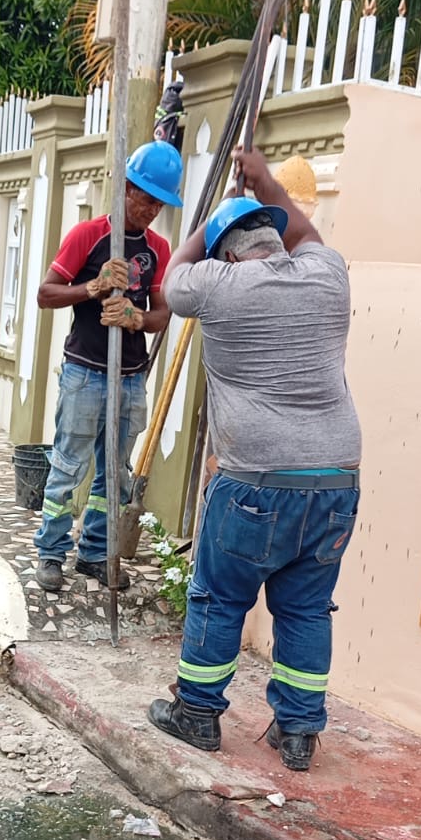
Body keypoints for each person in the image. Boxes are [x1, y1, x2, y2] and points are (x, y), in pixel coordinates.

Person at [147, 147, 360, 772]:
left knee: (219, 597)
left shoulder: (218, 285)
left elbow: (172, 279)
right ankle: (298, 734)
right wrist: (267, 183)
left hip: (253, 481)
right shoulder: (328, 273)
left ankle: (199, 714)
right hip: (335, 480)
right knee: (305, 607)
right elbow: (308, 233)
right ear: (275, 241)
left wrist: (203, 231)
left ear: (227, 254)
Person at [32, 140, 184, 594]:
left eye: (159, 202)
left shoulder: (158, 248)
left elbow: (162, 315)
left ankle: (95, 554)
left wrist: (136, 318)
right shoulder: (89, 235)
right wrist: (93, 288)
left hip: (130, 378)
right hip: (84, 373)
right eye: (145, 197)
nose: (150, 208)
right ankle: (51, 553)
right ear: (125, 189)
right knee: (68, 464)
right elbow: (46, 294)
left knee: (113, 471)